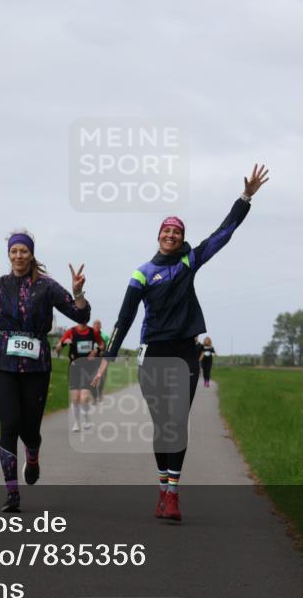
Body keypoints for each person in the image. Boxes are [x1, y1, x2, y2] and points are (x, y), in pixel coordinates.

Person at [93, 164, 269, 522]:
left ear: (181, 237)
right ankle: (163, 488)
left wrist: (245, 198)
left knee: (176, 422)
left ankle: (172, 495)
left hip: (185, 353)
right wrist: (107, 358)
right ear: (159, 236)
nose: (171, 235)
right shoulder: (142, 273)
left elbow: (223, 234)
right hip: (153, 354)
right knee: (162, 426)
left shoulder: (190, 261)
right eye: (166, 231)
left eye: (176, 231)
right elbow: (124, 318)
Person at [0, 230, 90, 512]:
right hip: (4, 365)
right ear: (8, 254)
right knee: (9, 424)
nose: (19, 256)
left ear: (31, 254)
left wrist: (78, 292)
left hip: (36, 367)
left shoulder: (47, 287)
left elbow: (80, 315)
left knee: (30, 430)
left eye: (24, 251)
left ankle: (32, 455)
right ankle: (12, 493)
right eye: (14, 251)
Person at [55, 321, 105, 431]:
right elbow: (57, 349)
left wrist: (96, 351)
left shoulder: (93, 332)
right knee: (75, 398)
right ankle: (76, 423)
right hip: (74, 367)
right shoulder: (71, 332)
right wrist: (62, 344)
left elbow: (102, 344)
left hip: (89, 368)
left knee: (84, 398)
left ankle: (86, 419)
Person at [92, 319, 110, 402]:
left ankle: (100, 392)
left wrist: (104, 352)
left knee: (102, 377)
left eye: (98, 324)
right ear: (93, 326)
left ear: (100, 326)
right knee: (92, 377)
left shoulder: (105, 336)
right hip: (92, 360)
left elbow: (108, 347)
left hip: (103, 360)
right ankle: (94, 397)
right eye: (95, 324)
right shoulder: (90, 335)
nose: (96, 325)